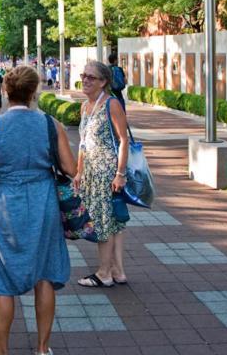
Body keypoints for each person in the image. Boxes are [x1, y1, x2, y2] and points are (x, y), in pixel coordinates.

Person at [0, 66, 77, 355]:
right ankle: (43, 348)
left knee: (2, 281)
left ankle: (1, 350)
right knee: (44, 275)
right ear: (33, 93)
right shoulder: (49, 124)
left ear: (5, 91)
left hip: (6, 205)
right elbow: (70, 169)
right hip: (43, 203)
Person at [74, 60, 131, 288]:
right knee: (113, 222)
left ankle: (103, 273)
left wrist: (120, 173)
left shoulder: (111, 103)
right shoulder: (85, 106)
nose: (85, 80)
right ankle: (118, 271)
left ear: (104, 82)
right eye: (83, 75)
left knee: (103, 223)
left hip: (107, 172)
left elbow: (123, 140)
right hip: (91, 172)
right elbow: (83, 143)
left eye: (91, 77)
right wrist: (79, 172)